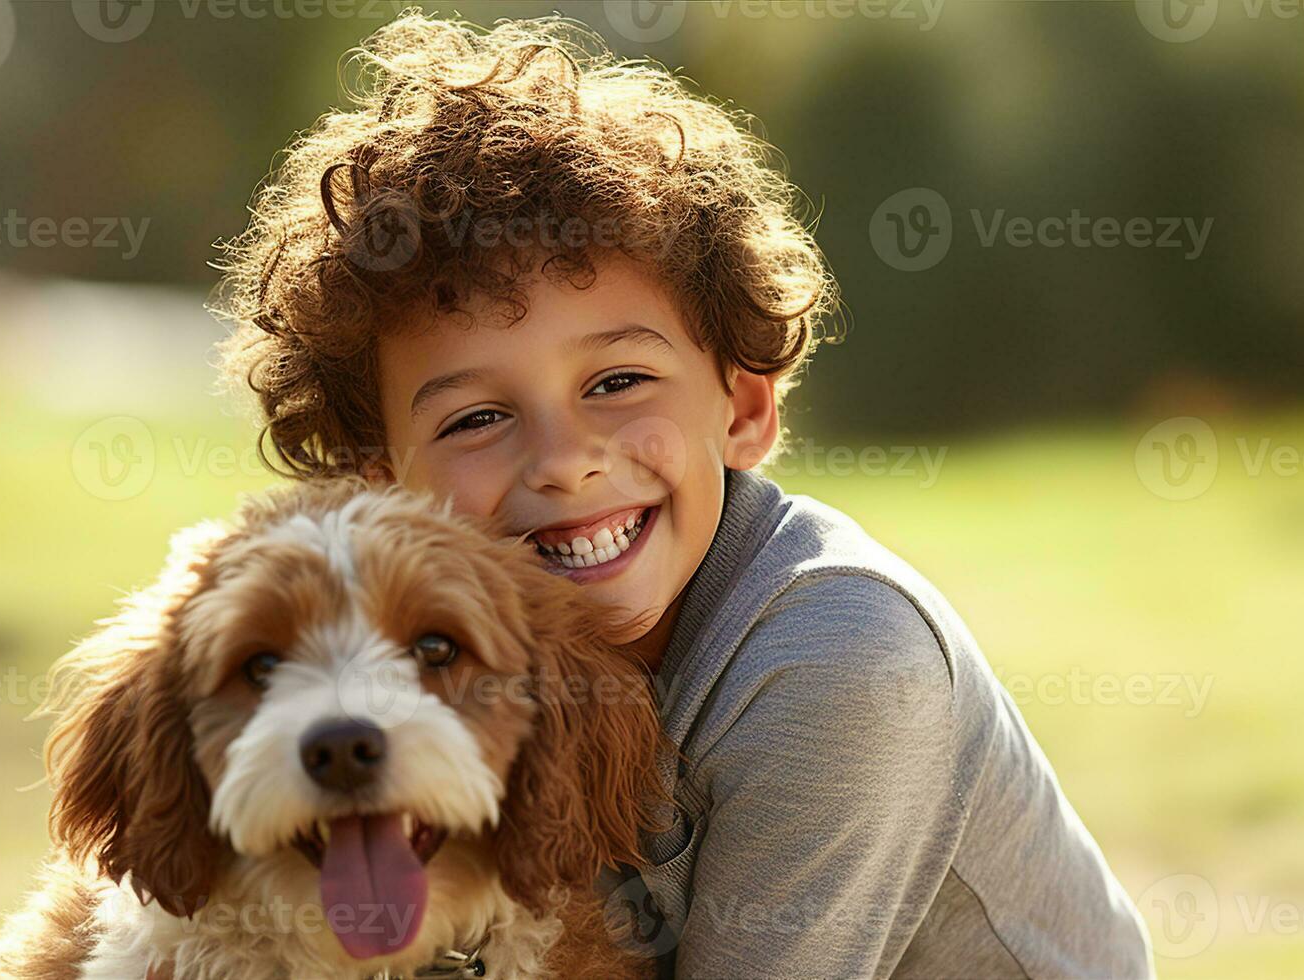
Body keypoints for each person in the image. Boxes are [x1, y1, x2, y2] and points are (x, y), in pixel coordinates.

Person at [215, 9, 1153, 977]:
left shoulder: (837, 660)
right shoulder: (439, 677)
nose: (564, 460)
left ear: (743, 407)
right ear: (380, 484)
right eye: (473, 419)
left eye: (617, 382)